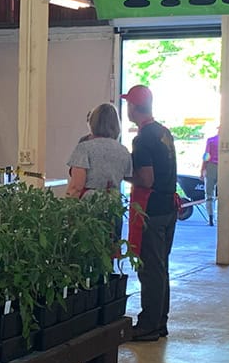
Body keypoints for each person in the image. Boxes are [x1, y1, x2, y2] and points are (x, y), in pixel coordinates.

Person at [122, 84, 178, 342]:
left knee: (150, 269)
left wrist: (123, 174)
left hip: (151, 210)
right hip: (169, 207)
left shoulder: (142, 138)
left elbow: (146, 178)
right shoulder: (164, 133)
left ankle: (147, 325)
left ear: (133, 107)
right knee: (161, 267)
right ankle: (160, 321)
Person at [66, 103, 132, 199]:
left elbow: (76, 187)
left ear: (93, 122)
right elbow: (126, 176)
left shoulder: (84, 148)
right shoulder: (124, 151)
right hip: (113, 204)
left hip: (89, 205)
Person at [200, 128, 219, 227]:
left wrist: (202, 169)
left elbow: (206, 156)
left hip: (211, 166)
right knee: (223, 195)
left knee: (209, 194)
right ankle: (223, 217)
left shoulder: (211, 140)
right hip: (224, 168)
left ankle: (211, 218)